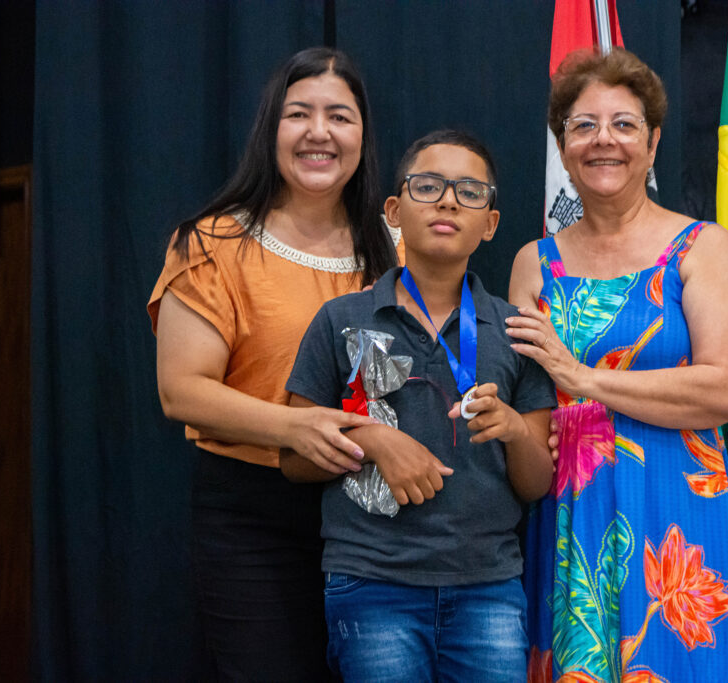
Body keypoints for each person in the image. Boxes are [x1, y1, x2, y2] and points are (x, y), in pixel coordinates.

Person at [147, 47, 402, 681]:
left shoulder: (397, 249)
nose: (319, 132)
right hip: (254, 521)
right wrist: (295, 427)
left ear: (363, 135)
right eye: (299, 114)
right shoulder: (213, 242)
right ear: (271, 129)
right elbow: (181, 390)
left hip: (379, 520)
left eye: (339, 116)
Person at [507, 48, 728, 681]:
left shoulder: (701, 247)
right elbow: (528, 407)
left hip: (680, 517)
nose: (604, 140)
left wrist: (584, 380)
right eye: (584, 125)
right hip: (571, 516)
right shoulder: (534, 263)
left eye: (624, 124)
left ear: (653, 143)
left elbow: (727, 390)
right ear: (562, 147)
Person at [280, 130, 556, 682]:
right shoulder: (340, 319)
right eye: (428, 186)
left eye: (469, 192)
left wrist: (513, 431)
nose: (448, 201)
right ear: (394, 211)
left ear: (490, 224)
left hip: (488, 585)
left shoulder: (518, 332)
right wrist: (369, 440)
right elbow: (293, 460)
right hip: (371, 581)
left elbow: (536, 484)